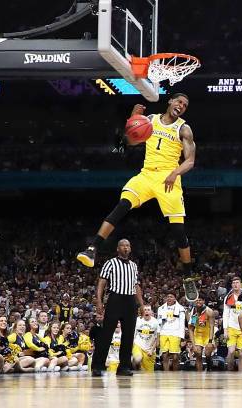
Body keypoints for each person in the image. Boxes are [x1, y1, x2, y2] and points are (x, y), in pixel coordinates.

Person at [77, 94, 197, 296]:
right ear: (170, 102)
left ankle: (188, 276)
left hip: (169, 178)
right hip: (147, 174)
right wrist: (132, 120)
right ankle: (92, 249)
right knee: (122, 205)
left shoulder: (184, 129)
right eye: (179, 102)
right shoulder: (150, 120)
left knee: (178, 231)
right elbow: (126, 144)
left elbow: (190, 161)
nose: (181, 106)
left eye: (185, 105)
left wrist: (175, 173)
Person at [92, 239, 144, 376]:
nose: (125, 247)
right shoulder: (110, 263)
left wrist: (142, 304)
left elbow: (136, 285)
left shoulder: (133, 265)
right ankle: (98, 365)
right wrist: (99, 301)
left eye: (128, 245)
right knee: (106, 333)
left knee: (128, 335)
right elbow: (102, 282)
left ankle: (124, 367)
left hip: (130, 300)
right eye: (123, 245)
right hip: (115, 298)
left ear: (130, 248)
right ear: (118, 248)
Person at [157, 292, 186, 371]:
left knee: (175, 356)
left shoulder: (180, 308)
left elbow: (182, 323)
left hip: (175, 333)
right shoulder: (161, 308)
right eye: (168, 297)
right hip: (164, 333)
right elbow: (159, 323)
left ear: (175, 298)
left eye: (171, 297)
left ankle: (175, 373)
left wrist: (182, 338)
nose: (169, 298)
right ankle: (166, 374)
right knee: (164, 355)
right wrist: (158, 337)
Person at [223, 276, 242, 371]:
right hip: (231, 327)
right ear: (232, 285)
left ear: (240, 284)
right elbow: (226, 314)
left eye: (237, 282)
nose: (235, 284)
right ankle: (229, 372)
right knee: (231, 351)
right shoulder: (228, 297)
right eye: (233, 283)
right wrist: (225, 329)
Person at [188, 295, 215, 371]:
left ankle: (209, 367)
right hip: (198, 335)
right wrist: (193, 345)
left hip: (208, 334)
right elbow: (191, 329)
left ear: (203, 301)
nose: (198, 302)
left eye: (200, 300)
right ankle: (199, 374)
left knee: (207, 353)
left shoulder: (209, 311)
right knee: (198, 353)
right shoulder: (193, 312)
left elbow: (212, 326)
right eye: (196, 300)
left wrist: (210, 341)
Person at [132, 305, 159, 371]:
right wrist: (132, 346)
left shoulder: (155, 322)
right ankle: (134, 363)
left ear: (151, 312)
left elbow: (157, 338)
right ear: (142, 312)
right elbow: (133, 335)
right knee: (138, 359)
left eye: (148, 310)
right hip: (138, 345)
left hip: (149, 349)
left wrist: (152, 350)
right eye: (145, 310)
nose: (146, 311)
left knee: (147, 374)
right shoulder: (137, 320)